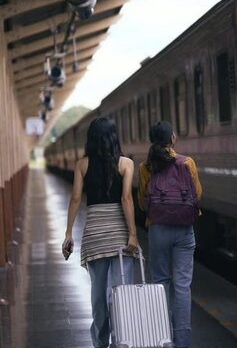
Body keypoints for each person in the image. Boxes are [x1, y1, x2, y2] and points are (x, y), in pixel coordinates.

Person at [63, 116, 139, 348]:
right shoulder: (126, 163)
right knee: (119, 291)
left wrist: (68, 234)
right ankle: (121, 340)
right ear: (113, 137)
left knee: (98, 293)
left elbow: (76, 198)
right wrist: (133, 234)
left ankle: (100, 341)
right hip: (119, 235)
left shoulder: (82, 164)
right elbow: (126, 198)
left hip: (95, 235)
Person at [138, 121, 202, 348]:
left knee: (160, 283)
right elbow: (198, 195)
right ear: (172, 138)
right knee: (183, 287)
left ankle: (163, 339)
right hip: (185, 231)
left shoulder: (146, 167)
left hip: (158, 229)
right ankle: (182, 341)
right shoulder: (187, 163)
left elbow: (143, 203)